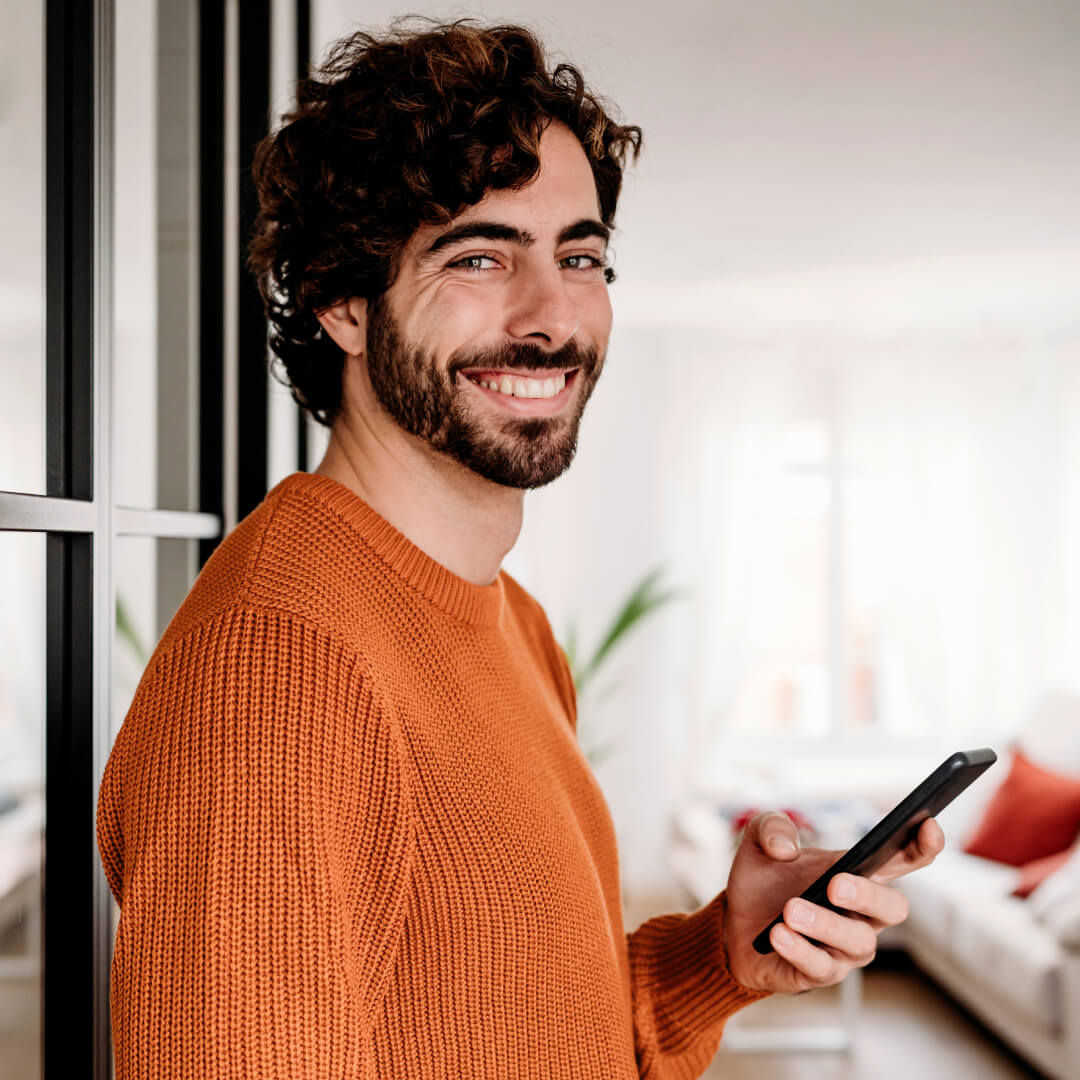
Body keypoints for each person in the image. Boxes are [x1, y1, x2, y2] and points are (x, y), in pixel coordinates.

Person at [96, 18, 943, 1079]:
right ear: (343, 303)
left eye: (579, 256)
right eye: (481, 256)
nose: (552, 317)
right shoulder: (281, 669)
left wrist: (724, 950)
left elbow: (529, 1020)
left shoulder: (508, 617)